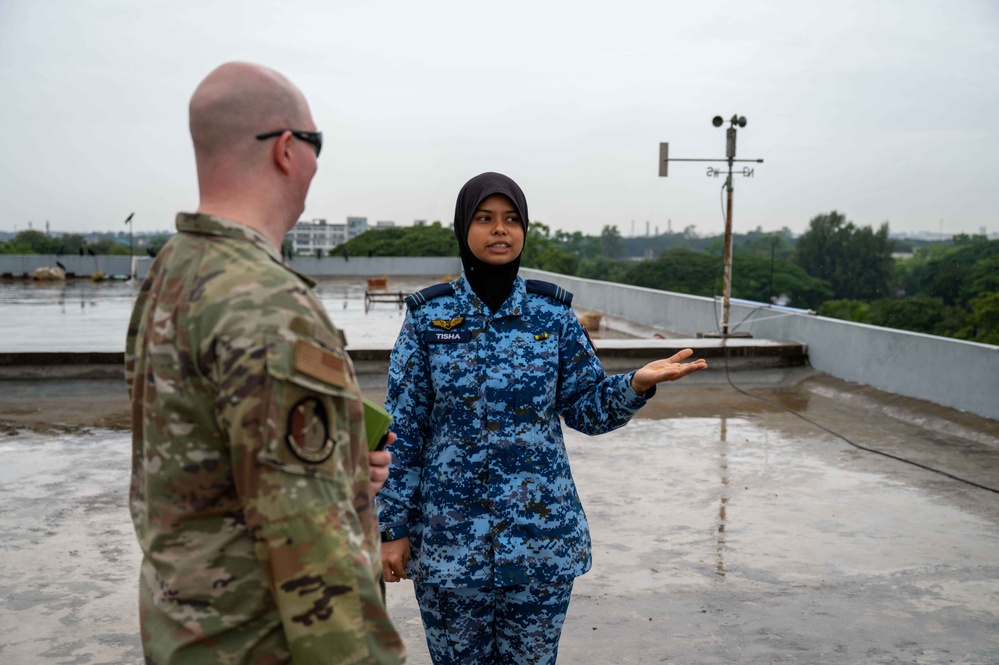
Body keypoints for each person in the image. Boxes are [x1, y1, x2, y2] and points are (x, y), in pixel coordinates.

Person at [125, 62, 405, 664]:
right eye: (316, 144)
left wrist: (344, 468)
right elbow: (312, 548)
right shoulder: (271, 305)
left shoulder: (172, 272)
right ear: (286, 149)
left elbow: (203, 459)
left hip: (189, 634)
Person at [377, 172, 708, 664]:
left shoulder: (551, 317)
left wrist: (635, 384)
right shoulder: (429, 319)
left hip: (539, 543)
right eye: (485, 219)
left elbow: (587, 409)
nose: (500, 231)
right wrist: (392, 528)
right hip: (450, 544)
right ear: (463, 228)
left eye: (512, 220)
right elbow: (401, 431)